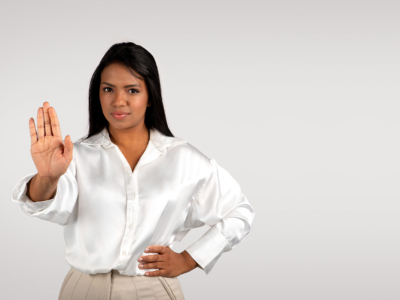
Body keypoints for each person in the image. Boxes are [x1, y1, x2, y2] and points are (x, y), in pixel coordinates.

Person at [11, 42, 256, 300]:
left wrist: (189, 258)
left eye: (132, 90)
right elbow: (49, 206)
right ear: (98, 94)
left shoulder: (183, 159)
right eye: (108, 89)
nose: (119, 101)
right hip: (84, 290)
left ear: (150, 97)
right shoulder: (76, 155)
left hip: (152, 290)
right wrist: (48, 177)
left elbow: (240, 212)